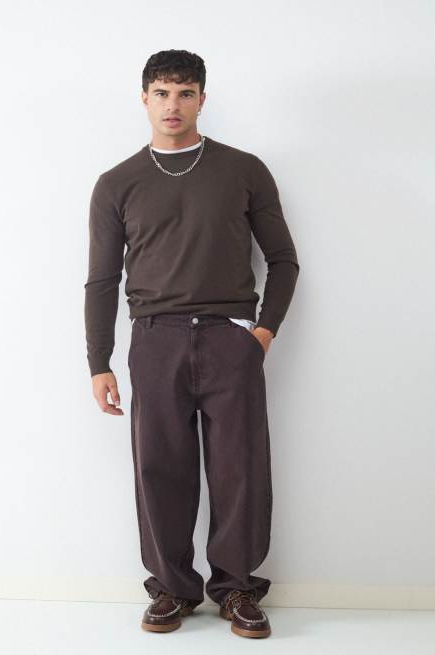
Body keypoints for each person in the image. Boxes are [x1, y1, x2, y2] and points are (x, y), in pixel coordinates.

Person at [84, 49, 300, 639]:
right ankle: (171, 589)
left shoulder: (244, 170)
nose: (172, 105)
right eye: (161, 93)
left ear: (203, 99)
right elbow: (102, 280)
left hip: (231, 338)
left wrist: (262, 333)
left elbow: (283, 260)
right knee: (160, 468)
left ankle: (237, 588)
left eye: (184, 93)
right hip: (155, 340)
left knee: (240, 468)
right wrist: (99, 361)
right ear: (144, 99)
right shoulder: (117, 183)